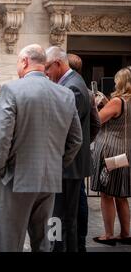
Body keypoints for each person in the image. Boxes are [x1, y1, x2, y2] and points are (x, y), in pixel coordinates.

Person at [0, 44, 82, 252]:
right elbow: (76, 140)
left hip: (14, 179)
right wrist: (56, 164)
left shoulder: (12, 89)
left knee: (8, 244)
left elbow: (2, 138)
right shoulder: (65, 94)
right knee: (43, 243)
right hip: (49, 179)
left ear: (24, 61)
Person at [45, 46, 92, 252]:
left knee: (62, 217)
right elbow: (94, 125)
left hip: (67, 164)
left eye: (47, 68)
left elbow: (63, 131)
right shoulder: (72, 84)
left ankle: (59, 249)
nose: (45, 73)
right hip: (70, 163)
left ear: (57, 64)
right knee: (64, 217)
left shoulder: (71, 88)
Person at [90, 67, 131, 246]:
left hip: (111, 151)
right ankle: (126, 234)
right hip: (126, 151)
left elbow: (98, 120)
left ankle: (108, 235)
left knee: (107, 194)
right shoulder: (121, 102)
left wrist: (95, 105)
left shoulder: (117, 101)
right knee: (121, 195)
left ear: (121, 82)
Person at [67, 53, 101, 252]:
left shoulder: (73, 90)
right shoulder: (87, 91)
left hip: (72, 155)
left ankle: (77, 241)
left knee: (75, 201)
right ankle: (80, 239)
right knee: (79, 197)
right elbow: (96, 123)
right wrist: (87, 141)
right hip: (81, 153)